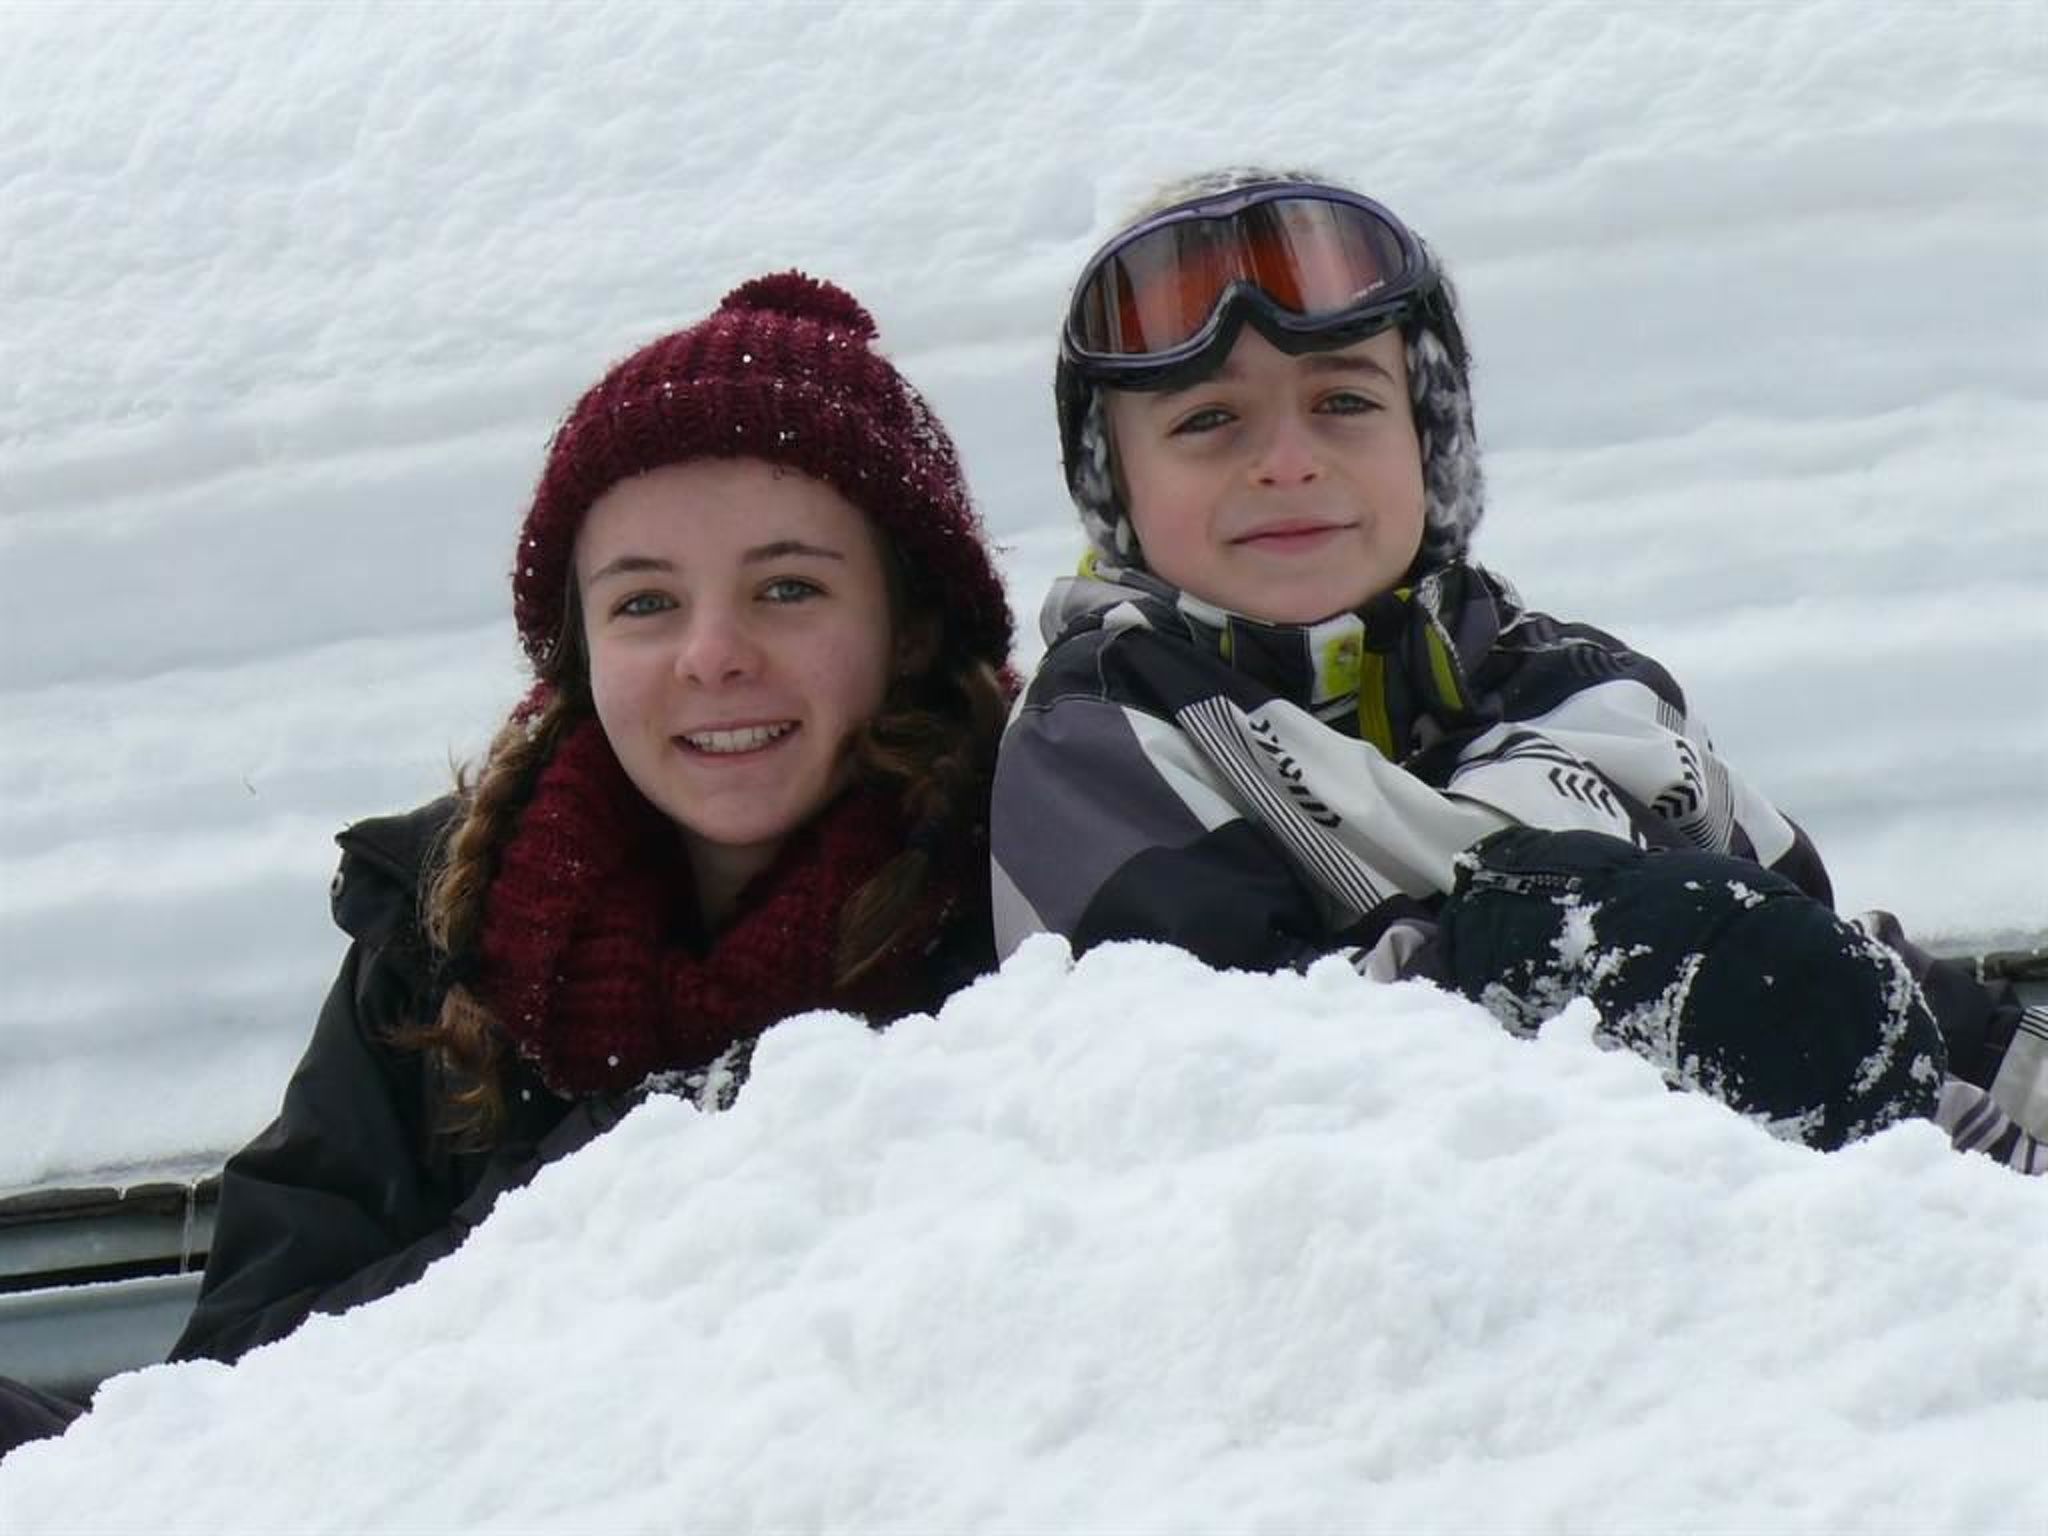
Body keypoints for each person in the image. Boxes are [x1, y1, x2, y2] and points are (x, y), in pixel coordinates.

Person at [991, 168, 2045, 1169]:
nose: (1287, 462)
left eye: (1344, 402)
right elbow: (1214, 1067)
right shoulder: (1105, 732)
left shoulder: (1584, 692)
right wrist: (1573, 943)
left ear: (1429, 444)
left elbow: (1823, 953)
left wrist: (2007, 1060)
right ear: (1118, 493)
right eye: (1208, 421)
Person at [162, 272, 1015, 1370]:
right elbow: (234, 1377)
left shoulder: (1031, 892)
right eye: (645, 603)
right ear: (580, 651)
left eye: (787, 589)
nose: (712, 655)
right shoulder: (445, 925)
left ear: (910, 627)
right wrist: (610, 1177)